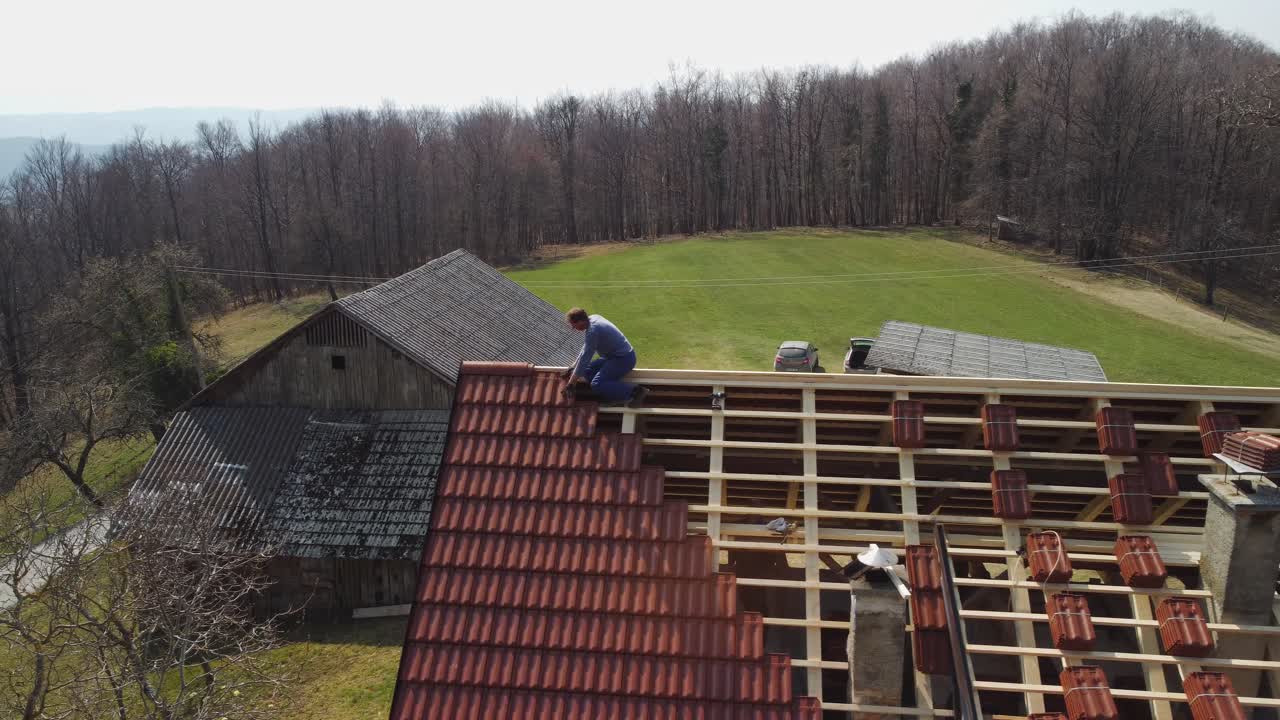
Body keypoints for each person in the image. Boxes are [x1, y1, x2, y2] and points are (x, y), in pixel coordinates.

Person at [560, 308, 649, 407]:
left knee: (597, 384)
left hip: (624, 359)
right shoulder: (594, 318)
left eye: (573, 325)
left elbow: (586, 357)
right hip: (612, 357)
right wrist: (573, 366)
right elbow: (586, 348)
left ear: (580, 321)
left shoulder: (593, 331)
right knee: (587, 371)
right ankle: (611, 395)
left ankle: (636, 391)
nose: (573, 328)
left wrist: (571, 384)